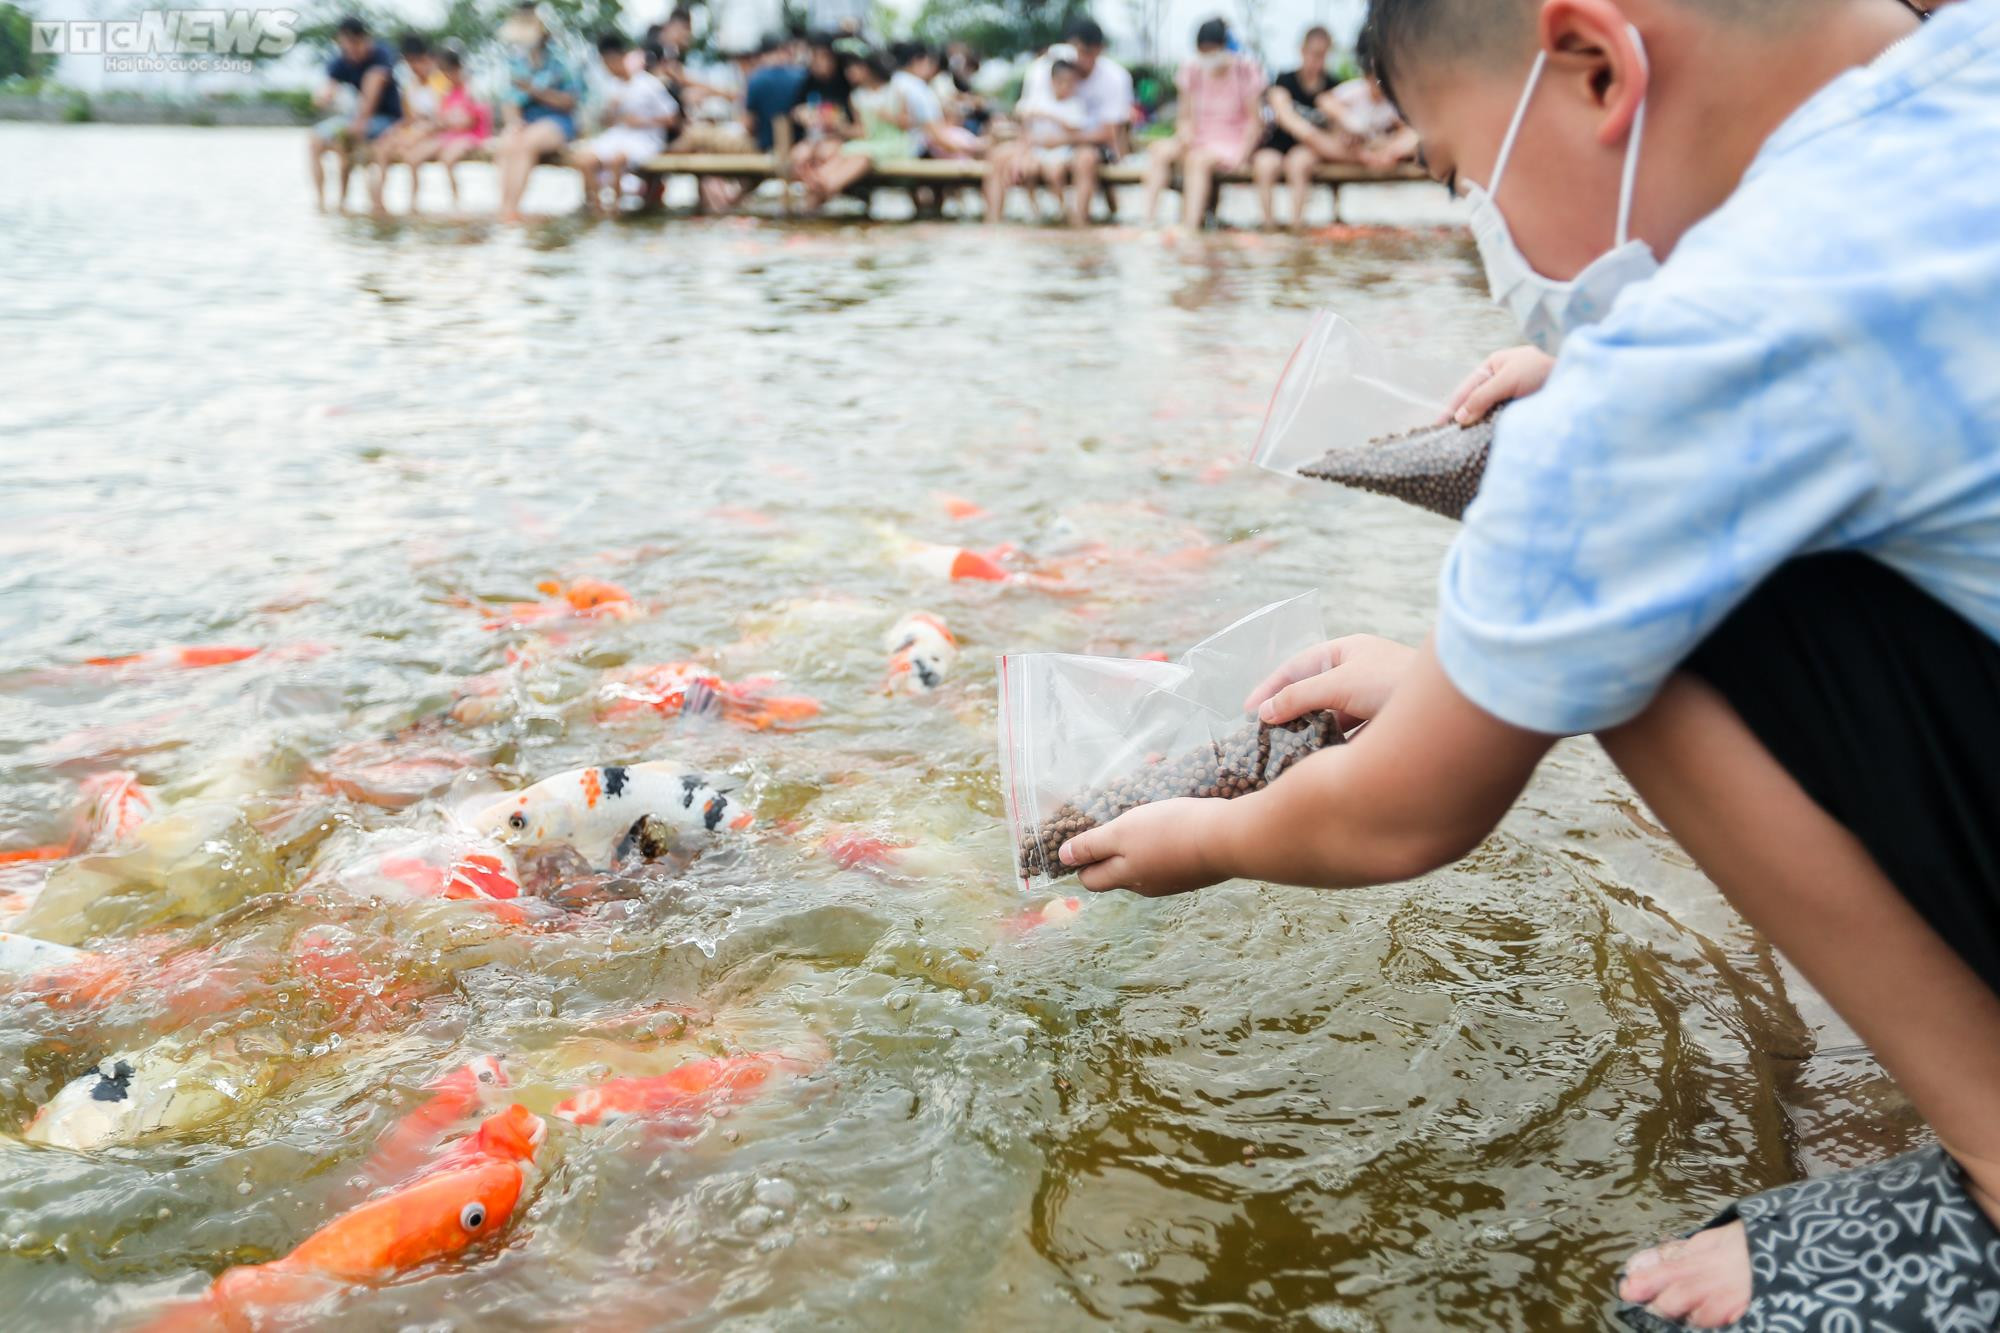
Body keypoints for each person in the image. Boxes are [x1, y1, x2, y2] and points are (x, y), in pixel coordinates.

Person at [1061, 1, 2000, 1330]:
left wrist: (1204, 840)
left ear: (1596, 65)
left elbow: (1402, 812)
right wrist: (1463, 664)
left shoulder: (1686, 365)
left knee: (1640, 621)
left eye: (1467, 179)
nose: (1485, 231)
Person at [1137, 18, 1265, 233]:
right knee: (1159, 151)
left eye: (1211, 50)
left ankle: (1190, 227)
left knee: (1197, 160)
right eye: (1203, 51)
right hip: (1199, 136)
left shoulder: (1245, 70)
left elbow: (1255, 121)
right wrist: (1185, 134)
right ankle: (1147, 221)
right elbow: (1184, 117)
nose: (1207, 57)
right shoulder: (1192, 69)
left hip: (1231, 140)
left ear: (1224, 46)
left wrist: (1244, 155)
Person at [493, 3, 585, 223]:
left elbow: (569, 102)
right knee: (507, 142)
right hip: (527, 121)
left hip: (557, 121)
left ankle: (512, 210)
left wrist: (534, 91)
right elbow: (509, 100)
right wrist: (513, 122)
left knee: (527, 143)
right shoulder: (518, 61)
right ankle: (505, 208)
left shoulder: (562, 60)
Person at [574, 31, 679, 217]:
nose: (608, 67)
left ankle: (615, 210)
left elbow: (673, 118)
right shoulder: (612, 86)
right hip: (619, 135)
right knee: (584, 159)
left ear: (622, 57)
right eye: (605, 64)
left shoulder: (648, 83)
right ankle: (596, 209)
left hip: (646, 138)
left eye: (610, 62)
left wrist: (642, 122)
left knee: (617, 159)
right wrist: (610, 111)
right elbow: (606, 122)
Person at [1250, 26, 1345, 229]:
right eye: (1314, 53)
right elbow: (1282, 112)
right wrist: (1306, 131)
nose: (1317, 60)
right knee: (1264, 164)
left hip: (1310, 149)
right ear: (1302, 50)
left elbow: (1338, 128)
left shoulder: (1333, 85)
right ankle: (1268, 225)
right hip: (1279, 143)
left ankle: (1296, 224)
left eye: (1323, 54)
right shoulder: (1284, 80)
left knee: (1298, 162)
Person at [308, 16, 403, 212]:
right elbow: (327, 89)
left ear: (362, 39)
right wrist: (323, 97)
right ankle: (323, 203)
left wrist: (360, 121)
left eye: (351, 43)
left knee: (349, 137)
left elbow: (372, 88)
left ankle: (363, 201)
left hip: (386, 117)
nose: (348, 49)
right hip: (355, 117)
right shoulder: (341, 61)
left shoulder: (381, 54)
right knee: (315, 139)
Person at [983, 58, 1087, 223]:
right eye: (1062, 82)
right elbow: (1025, 126)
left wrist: (1049, 119)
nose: (1066, 87)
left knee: (1053, 171)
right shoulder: (1038, 100)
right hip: (1036, 152)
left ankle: (1065, 213)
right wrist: (1022, 153)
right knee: (1002, 159)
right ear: (1052, 81)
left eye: (1070, 83)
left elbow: (1076, 131)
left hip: (1061, 153)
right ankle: (994, 218)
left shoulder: (1075, 104)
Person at [800, 51, 899, 208]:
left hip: (892, 144)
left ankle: (828, 183)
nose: (849, 72)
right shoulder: (857, 96)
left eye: (853, 67)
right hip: (868, 143)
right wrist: (838, 126)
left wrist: (888, 117)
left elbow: (911, 123)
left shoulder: (895, 90)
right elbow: (862, 131)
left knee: (862, 156)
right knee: (846, 151)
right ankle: (822, 180)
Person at [1059, 20, 1135, 226]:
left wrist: (1061, 138)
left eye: (1083, 51)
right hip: (1064, 145)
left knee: (1085, 158)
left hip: (1101, 148)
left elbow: (1109, 134)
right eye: (1073, 50)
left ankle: (1079, 223)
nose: (1077, 57)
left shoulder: (1115, 77)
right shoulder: (1060, 71)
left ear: (1098, 50)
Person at [788, 35, 859, 203]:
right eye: (815, 57)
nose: (819, 62)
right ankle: (812, 197)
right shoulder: (807, 82)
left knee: (825, 154)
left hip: (840, 141)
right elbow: (794, 110)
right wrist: (801, 113)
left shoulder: (846, 84)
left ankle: (817, 196)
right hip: (813, 139)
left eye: (824, 57)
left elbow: (857, 127)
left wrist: (837, 125)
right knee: (799, 156)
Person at [744, 33, 808, 154]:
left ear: (762, 54)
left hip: (766, 150)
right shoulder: (802, 75)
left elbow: (749, 123)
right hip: (800, 150)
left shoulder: (756, 78)